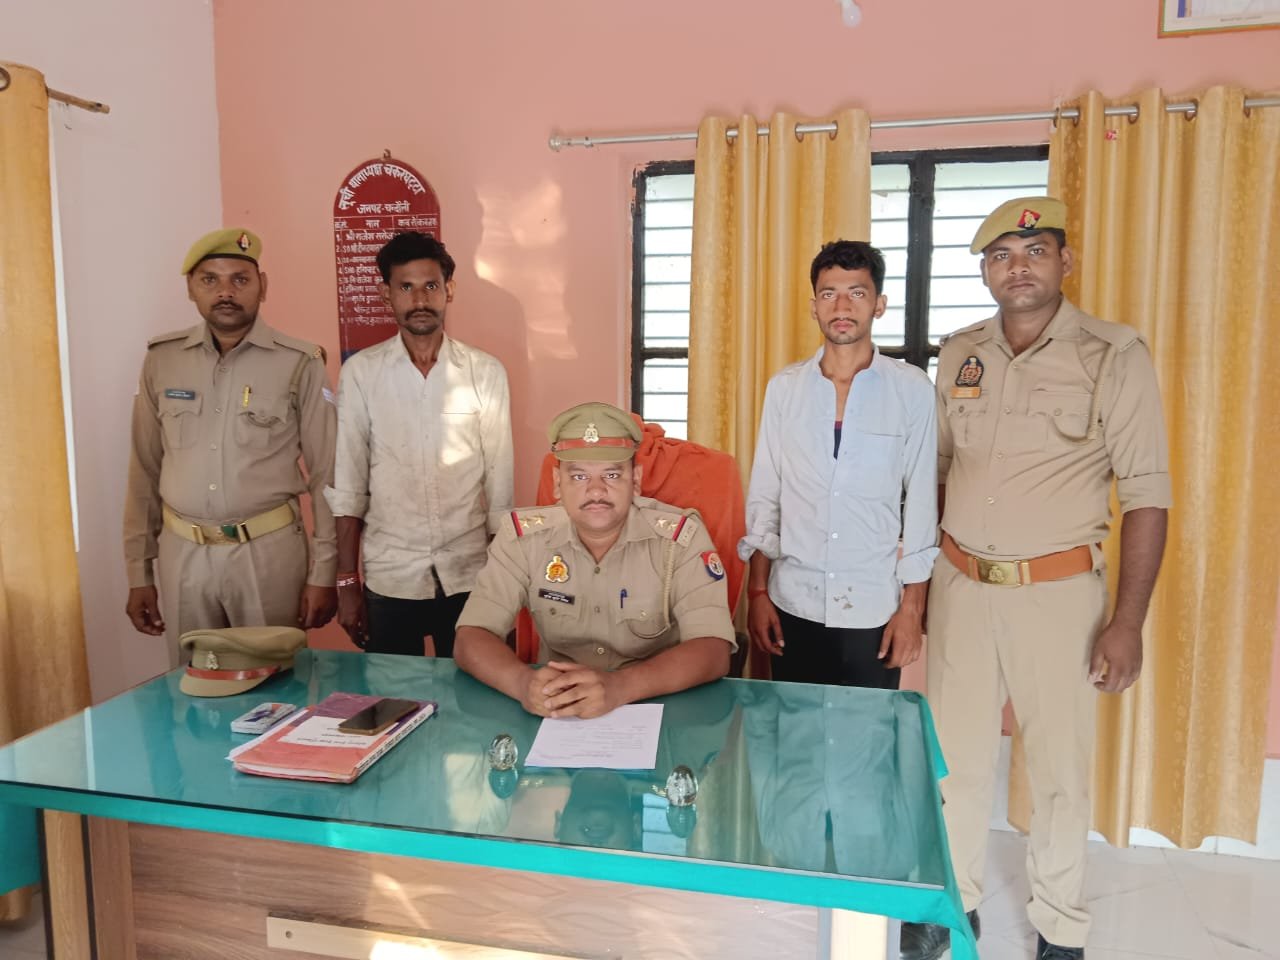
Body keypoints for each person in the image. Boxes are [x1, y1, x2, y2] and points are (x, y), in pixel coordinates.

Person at [900, 198, 1170, 960]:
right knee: (953, 765)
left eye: (1034, 251)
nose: (1016, 267)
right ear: (987, 272)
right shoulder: (961, 354)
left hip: (1058, 595)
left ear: (1064, 262)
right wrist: (921, 584)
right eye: (1000, 256)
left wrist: (1127, 622)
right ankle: (951, 906)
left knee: (1057, 773)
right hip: (961, 586)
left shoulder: (1112, 355)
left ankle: (1060, 928)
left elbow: (1146, 494)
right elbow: (938, 473)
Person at [123, 228, 338, 666]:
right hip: (183, 555)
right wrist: (138, 571)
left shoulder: (299, 362)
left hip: (268, 554)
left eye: (240, 279)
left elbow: (327, 476)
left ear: (263, 286)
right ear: (191, 288)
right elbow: (144, 470)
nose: (225, 292)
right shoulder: (163, 359)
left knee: (274, 685)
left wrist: (324, 572)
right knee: (189, 689)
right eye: (210, 280)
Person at [453, 402, 736, 717]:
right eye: (579, 476)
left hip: (655, 705)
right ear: (557, 483)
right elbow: (471, 637)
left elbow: (713, 648)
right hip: (557, 709)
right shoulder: (521, 539)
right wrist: (523, 684)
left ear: (635, 480)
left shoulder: (680, 539)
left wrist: (620, 687)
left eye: (612, 474)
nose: (597, 490)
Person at [739, 240, 937, 688]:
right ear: (814, 307)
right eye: (829, 293)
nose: (842, 306)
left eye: (857, 293)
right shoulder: (785, 389)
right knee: (793, 727)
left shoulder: (911, 390)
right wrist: (757, 592)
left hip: (871, 608)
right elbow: (766, 495)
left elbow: (922, 506)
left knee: (867, 729)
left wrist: (912, 608)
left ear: (879, 304)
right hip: (792, 603)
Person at [324, 232, 513, 657]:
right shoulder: (362, 373)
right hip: (391, 575)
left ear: (449, 290)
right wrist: (347, 582)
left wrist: (505, 582)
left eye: (430, 286)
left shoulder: (485, 372)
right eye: (406, 287)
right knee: (393, 692)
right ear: (386, 295)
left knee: (473, 691)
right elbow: (349, 484)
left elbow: (500, 488)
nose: (420, 300)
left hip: (470, 574)